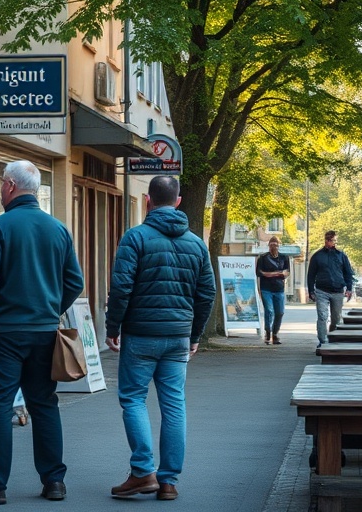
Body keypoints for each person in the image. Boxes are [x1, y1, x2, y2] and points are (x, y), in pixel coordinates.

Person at [0, 160, 84, 505]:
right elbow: (75, 281)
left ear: (11, 186)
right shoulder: (57, 229)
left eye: (1, 183)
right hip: (45, 333)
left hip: (7, 333)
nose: (0, 188)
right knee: (44, 404)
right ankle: (54, 482)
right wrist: (49, 307)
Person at [105, 176, 216, 502]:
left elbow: (121, 288)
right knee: (174, 406)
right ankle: (168, 482)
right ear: (178, 201)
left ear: (148, 201)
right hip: (177, 338)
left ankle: (142, 472)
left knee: (133, 400)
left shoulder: (135, 238)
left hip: (140, 336)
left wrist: (113, 329)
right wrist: (194, 334)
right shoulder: (196, 244)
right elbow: (206, 294)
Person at [307, 230, 354, 348]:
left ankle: (333, 338)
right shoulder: (317, 256)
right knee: (322, 316)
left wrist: (349, 288)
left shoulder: (341, 256)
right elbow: (311, 275)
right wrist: (311, 291)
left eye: (334, 240)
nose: (333, 242)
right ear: (326, 240)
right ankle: (322, 341)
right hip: (322, 291)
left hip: (338, 291)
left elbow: (348, 273)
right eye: (332, 240)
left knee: (336, 318)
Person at [256, 236, 290, 345]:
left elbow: (286, 272)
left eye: (275, 244)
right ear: (268, 245)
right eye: (271, 245)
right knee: (269, 310)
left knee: (280, 312)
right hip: (266, 289)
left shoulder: (284, 258)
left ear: (279, 245)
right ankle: (268, 332)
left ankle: (275, 333)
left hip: (279, 289)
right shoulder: (263, 258)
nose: (273, 247)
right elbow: (259, 273)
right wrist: (276, 273)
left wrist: (271, 274)